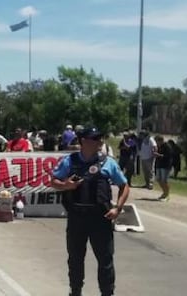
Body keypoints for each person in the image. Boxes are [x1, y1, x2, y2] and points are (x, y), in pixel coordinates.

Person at [51, 126, 130, 296]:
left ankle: (107, 293)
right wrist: (66, 185)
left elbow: (124, 186)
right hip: (77, 218)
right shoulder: (69, 161)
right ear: (83, 142)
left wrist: (118, 208)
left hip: (100, 218)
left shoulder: (108, 163)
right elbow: (53, 182)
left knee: (105, 260)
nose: (100, 142)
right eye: (95, 139)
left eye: (101, 138)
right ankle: (76, 291)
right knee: (75, 259)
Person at [154, 136, 172, 201]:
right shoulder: (159, 146)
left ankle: (167, 195)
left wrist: (159, 155)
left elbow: (168, 156)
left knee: (164, 180)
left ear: (161, 140)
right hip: (159, 165)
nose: (156, 143)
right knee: (158, 179)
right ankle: (164, 192)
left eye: (157, 141)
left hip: (166, 165)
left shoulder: (167, 146)